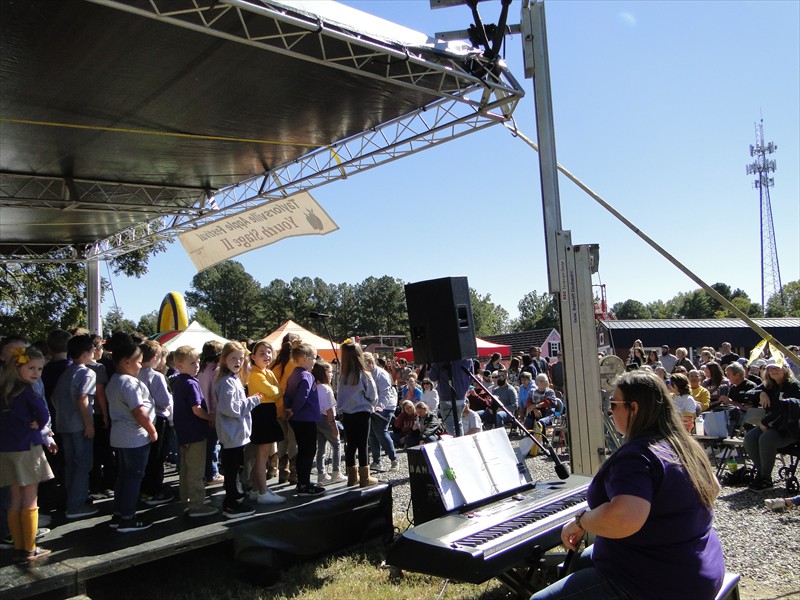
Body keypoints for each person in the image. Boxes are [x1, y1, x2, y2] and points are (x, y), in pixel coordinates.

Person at [531, 370, 725, 600]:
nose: (609, 410)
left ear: (634, 408)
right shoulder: (684, 444)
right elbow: (714, 489)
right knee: (583, 561)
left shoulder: (637, 456)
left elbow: (624, 519)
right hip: (700, 567)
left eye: (613, 404)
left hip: (661, 582)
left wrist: (580, 522)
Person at [0, 346, 57, 561]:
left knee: (14, 498)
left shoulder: (3, 389)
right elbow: (42, 413)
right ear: (18, 367)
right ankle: (30, 547)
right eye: (31, 367)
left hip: (6, 450)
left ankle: (18, 545)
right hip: (27, 448)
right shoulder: (27, 390)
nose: (36, 373)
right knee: (30, 499)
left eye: (40, 369)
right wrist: (39, 423)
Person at [105, 333, 157, 532]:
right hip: (134, 437)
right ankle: (128, 517)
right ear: (127, 362)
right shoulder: (129, 383)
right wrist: (152, 431)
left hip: (120, 436)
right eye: (139, 362)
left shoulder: (115, 381)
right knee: (134, 476)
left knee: (124, 476)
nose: (141, 366)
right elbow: (138, 411)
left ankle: (119, 513)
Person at [214, 341, 266, 517]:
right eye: (233, 358)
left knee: (235, 467)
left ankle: (234, 499)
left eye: (241, 358)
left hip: (236, 434)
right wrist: (253, 401)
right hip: (232, 435)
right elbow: (230, 408)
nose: (238, 361)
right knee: (232, 469)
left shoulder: (233, 379)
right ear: (223, 359)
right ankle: (232, 503)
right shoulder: (227, 382)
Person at [53, 334, 98, 519]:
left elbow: (54, 397)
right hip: (79, 425)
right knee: (82, 465)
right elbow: (83, 398)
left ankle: (71, 501)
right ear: (86, 353)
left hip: (64, 424)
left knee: (71, 465)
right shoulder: (87, 372)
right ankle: (76, 505)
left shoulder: (66, 372)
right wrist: (88, 424)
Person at [170, 346, 218, 518]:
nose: (196, 365)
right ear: (179, 364)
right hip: (196, 433)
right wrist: (211, 417)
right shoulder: (190, 383)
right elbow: (197, 409)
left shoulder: (179, 382)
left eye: (197, 361)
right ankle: (197, 505)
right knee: (196, 471)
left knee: (185, 469)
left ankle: (186, 501)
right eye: (192, 362)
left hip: (183, 433)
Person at [744, 358, 800, 492]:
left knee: (766, 439)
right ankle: (762, 474)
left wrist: (764, 422)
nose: (773, 371)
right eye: (770, 368)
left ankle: (765, 478)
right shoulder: (769, 385)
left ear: (785, 369)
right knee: (750, 438)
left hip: (789, 427)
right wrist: (761, 393)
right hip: (773, 424)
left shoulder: (793, 386)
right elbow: (748, 393)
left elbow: (783, 409)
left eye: (777, 368)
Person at [245, 340, 286, 505]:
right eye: (262, 353)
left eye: (269, 352)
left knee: (262, 456)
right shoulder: (255, 374)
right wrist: (275, 391)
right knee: (262, 457)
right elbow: (274, 391)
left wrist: (275, 391)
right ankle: (262, 492)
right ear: (253, 357)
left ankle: (256, 490)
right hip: (261, 414)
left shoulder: (267, 373)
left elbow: (277, 390)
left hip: (267, 412)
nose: (267, 355)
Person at [283, 342, 325, 496]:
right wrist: (294, 409)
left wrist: (289, 408)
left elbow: (287, 394)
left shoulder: (293, 374)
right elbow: (303, 395)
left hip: (296, 419)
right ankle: (304, 485)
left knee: (303, 450)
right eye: (313, 358)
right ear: (305, 358)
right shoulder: (306, 375)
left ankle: (302, 481)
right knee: (308, 451)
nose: (315, 361)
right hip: (305, 419)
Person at [137, 340, 174, 507]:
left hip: (142, 421)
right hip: (159, 420)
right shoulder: (156, 376)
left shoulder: (135, 374)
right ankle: (154, 490)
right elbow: (165, 401)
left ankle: (145, 489)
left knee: (147, 457)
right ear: (155, 357)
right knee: (158, 457)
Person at [337, 339, 378, 487]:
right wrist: (369, 403)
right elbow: (373, 396)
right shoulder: (365, 375)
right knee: (362, 445)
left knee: (350, 445)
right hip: (362, 413)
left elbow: (339, 397)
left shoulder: (343, 377)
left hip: (348, 415)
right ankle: (365, 478)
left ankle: (352, 477)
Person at [270, 333, 301, 485]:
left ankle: (283, 472)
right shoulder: (294, 364)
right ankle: (294, 474)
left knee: (282, 441)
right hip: (291, 408)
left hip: (276, 408)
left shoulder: (274, 364)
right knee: (293, 441)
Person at [364, 352, 398, 472]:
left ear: (371, 363)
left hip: (386, 406)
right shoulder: (367, 374)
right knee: (372, 434)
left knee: (381, 432)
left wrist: (380, 406)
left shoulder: (381, 374)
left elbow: (385, 392)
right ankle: (377, 461)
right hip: (373, 406)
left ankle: (394, 460)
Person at [312, 361, 344, 484]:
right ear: (323, 373)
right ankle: (336, 472)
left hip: (316, 419)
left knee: (321, 447)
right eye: (329, 372)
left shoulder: (314, 387)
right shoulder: (326, 389)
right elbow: (329, 409)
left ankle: (321, 473)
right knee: (336, 445)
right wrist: (333, 426)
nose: (331, 374)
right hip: (326, 419)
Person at [197, 341, 223, 485]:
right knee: (213, 445)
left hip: (203, 411)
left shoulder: (201, 369)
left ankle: (209, 472)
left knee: (208, 445)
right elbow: (213, 395)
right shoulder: (215, 371)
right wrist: (213, 415)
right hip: (212, 412)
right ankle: (212, 474)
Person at [429, 358, 473, 437]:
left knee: (451, 427)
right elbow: (471, 376)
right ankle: (461, 445)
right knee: (459, 424)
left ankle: (456, 447)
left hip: (446, 397)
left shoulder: (440, 359)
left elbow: (432, 377)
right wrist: (463, 389)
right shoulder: (467, 357)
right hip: (461, 397)